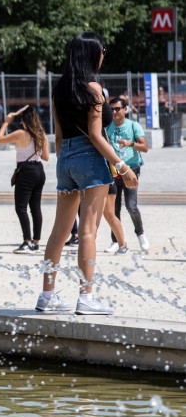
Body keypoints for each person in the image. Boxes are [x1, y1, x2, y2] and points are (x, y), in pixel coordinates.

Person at [35, 32, 137, 316]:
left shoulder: (59, 88)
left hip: (65, 157)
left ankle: (47, 295)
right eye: (102, 49)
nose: (104, 53)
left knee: (59, 233)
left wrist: (65, 161)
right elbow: (95, 135)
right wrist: (122, 166)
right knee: (89, 231)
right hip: (90, 158)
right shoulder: (94, 88)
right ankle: (86, 297)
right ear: (93, 54)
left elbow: (57, 135)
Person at [0, 105, 49, 253]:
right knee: (35, 207)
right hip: (39, 170)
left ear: (24, 121)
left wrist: (6, 121)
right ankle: (36, 242)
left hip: (25, 171)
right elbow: (46, 157)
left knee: (21, 207)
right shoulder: (41, 134)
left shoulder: (20, 133)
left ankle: (27, 241)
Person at [105, 97, 150, 252]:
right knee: (113, 209)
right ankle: (116, 241)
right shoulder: (107, 127)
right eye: (112, 109)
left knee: (131, 206)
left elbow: (145, 147)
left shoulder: (133, 125)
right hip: (113, 171)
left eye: (117, 109)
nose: (115, 112)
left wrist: (130, 143)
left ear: (125, 109)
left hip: (131, 169)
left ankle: (141, 234)